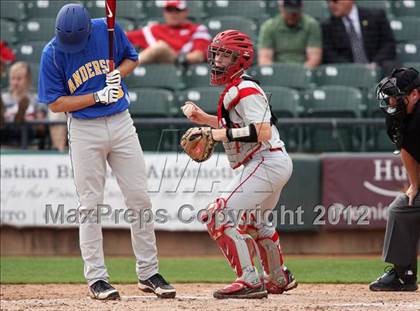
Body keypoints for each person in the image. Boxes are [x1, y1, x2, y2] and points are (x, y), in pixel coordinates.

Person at [38, 4, 176, 300]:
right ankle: (97, 278)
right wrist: (95, 96)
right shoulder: (52, 52)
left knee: (139, 198)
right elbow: (55, 103)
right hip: (84, 129)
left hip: (121, 121)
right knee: (90, 204)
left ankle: (148, 272)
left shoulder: (106, 30)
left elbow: (132, 58)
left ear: (88, 29)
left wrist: (118, 74)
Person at [181, 29, 297, 299]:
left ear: (240, 59)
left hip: (266, 161)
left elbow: (262, 131)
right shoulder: (237, 88)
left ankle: (249, 279)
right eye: (217, 54)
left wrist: (218, 134)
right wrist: (205, 119)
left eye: (225, 55)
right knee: (256, 223)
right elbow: (238, 126)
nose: (217, 60)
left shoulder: (245, 89)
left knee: (217, 215)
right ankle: (278, 278)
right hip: (270, 162)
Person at [369, 67, 420, 291]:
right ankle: (403, 274)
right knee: (401, 208)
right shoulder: (398, 118)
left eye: (396, 96)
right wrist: (415, 185)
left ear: (415, 94)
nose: (391, 101)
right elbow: (405, 147)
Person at [126, 0, 211, 66]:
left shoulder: (197, 29)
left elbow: (198, 56)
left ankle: (127, 67)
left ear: (185, 12)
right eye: (169, 10)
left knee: (160, 47)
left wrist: (177, 58)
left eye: (177, 10)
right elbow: (123, 37)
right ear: (164, 13)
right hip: (156, 72)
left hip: (182, 67)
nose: (173, 14)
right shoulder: (154, 29)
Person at [322, 0, 397, 74]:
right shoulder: (328, 25)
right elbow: (330, 54)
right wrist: (355, 68)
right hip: (349, 72)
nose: (331, 5)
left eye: (335, 1)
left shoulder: (376, 16)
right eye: (328, 1)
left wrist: (375, 63)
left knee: (391, 67)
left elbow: (388, 44)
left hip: (377, 65)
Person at [257, 0, 322, 69]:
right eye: (288, 12)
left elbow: (314, 59)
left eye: (294, 13)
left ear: (301, 9)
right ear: (282, 8)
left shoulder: (311, 25)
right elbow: (264, 60)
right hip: (277, 71)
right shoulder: (269, 26)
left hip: (303, 71)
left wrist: (298, 74)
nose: (291, 15)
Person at [1, 62, 47, 146]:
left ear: (28, 79)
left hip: (27, 134)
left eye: (19, 79)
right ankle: (16, 117)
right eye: (13, 79)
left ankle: (20, 117)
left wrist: (32, 121)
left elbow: (41, 128)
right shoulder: (3, 97)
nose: (15, 82)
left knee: (23, 126)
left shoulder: (36, 99)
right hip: (4, 132)